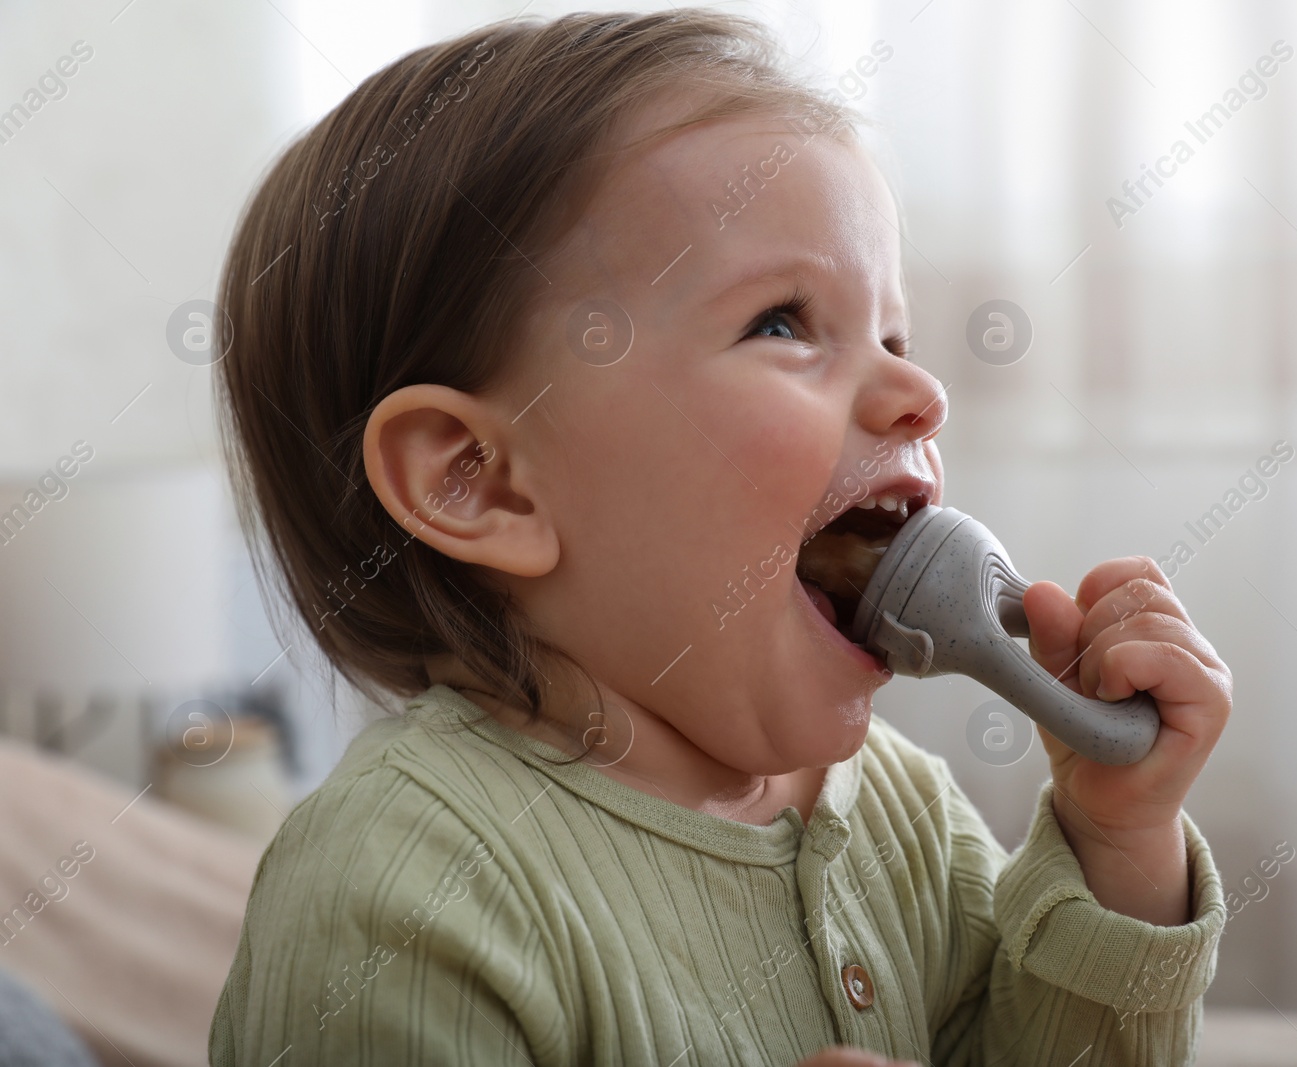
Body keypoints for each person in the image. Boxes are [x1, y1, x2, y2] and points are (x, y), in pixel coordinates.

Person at [208, 10, 1232, 1064]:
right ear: (483, 483)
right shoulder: (403, 881)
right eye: (783, 322)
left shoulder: (899, 803)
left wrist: (1116, 840)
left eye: (893, 333)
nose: (921, 392)